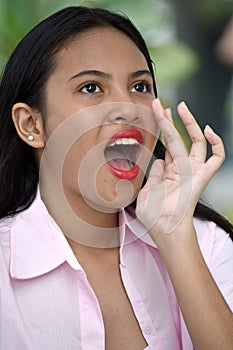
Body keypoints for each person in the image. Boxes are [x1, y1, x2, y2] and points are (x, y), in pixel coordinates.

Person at [0, 6, 232, 350]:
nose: (128, 107)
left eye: (140, 86)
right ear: (31, 125)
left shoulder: (206, 243)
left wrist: (177, 239)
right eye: (91, 87)